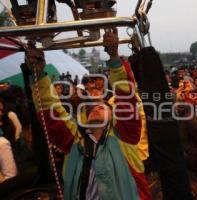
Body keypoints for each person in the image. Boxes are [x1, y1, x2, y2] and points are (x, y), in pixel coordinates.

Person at [24, 29, 150, 200]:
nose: (96, 108)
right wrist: (38, 73)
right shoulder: (74, 141)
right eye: (90, 110)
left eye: (103, 107)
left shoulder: (125, 137)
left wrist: (114, 58)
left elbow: (126, 96)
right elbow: (50, 110)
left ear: (113, 117)